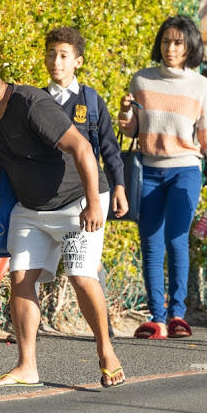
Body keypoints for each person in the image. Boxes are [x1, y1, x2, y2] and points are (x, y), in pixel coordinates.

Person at [0, 57, 124, 388]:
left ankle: (106, 350)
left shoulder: (32, 105)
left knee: (80, 276)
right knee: (20, 279)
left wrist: (92, 203)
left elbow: (83, 149)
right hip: (31, 210)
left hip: (78, 203)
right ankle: (27, 366)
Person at [118, 15, 207, 340]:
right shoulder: (141, 80)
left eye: (179, 42)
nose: (171, 48)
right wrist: (126, 111)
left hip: (184, 169)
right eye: (167, 41)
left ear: (190, 47)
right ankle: (156, 317)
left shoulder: (201, 85)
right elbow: (132, 128)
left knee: (176, 239)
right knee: (151, 244)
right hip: (148, 169)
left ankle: (177, 315)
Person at [42, 26, 128, 337]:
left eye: (64, 55)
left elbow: (109, 147)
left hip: (87, 192)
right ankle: (25, 322)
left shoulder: (90, 101)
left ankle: (101, 323)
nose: (56, 61)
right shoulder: (38, 100)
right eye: (51, 54)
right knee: (35, 264)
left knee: (87, 263)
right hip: (48, 193)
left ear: (78, 61)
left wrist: (118, 185)